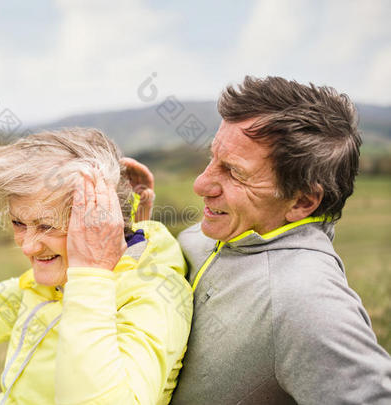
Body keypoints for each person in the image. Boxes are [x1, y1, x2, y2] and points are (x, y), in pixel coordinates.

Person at [126, 76, 391, 404]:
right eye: (213, 158)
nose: (201, 183)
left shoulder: (306, 302)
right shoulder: (223, 232)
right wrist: (139, 229)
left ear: (302, 201)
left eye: (235, 172)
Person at [0, 125, 193, 405]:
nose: (27, 246)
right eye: (18, 223)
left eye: (47, 227)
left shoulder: (153, 295)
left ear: (102, 220)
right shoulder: (57, 282)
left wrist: (91, 275)